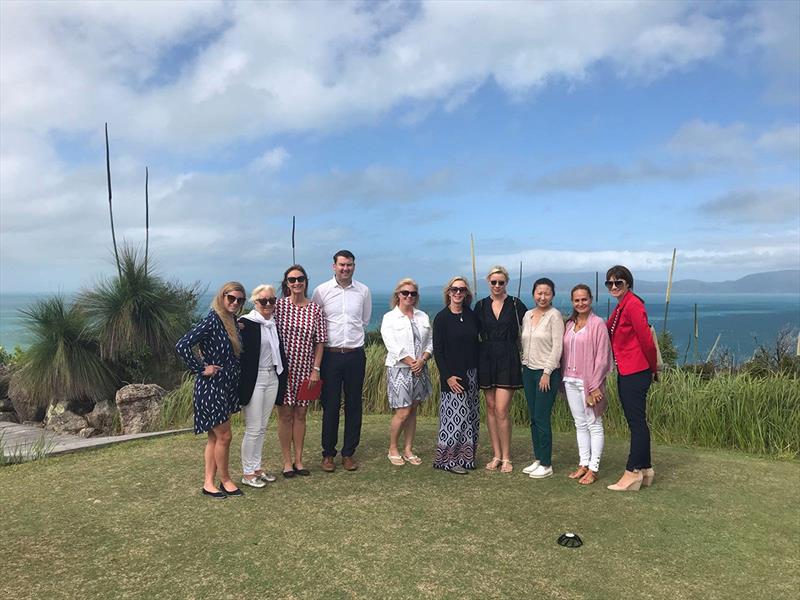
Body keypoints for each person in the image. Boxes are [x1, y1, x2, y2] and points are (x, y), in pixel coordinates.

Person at [175, 282, 246, 499]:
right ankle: (224, 480)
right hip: (211, 387)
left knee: (215, 438)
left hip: (225, 386)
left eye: (239, 300)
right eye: (231, 298)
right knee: (224, 436)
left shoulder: (231, 321)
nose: (235, 303)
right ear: (222, 297)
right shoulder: (212, 321)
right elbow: (182, 345)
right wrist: (201, 368)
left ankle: (208, 483)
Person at [312, 250, 371, 472]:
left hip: (355, 354)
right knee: (331, 405)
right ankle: (328, 454)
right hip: (330, 355)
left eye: (350, 265)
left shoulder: (363, 291)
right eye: (342, 265)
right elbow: (316, 322)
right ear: (334, 266)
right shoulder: (321, 291)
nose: (346, 268)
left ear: (354, 266)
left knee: (354, 405)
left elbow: (364, 320)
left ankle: (348, 453)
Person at [605, 265, 658, 491]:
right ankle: (645, 469)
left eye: (619, 282)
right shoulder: (621, 307)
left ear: (628, 283)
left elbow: (646, 340)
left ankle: (632, 472)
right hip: (628, 369)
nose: (614, 287)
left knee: (636, 423)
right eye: (610, 283)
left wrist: (653, 368)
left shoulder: (634, 304)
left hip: (636, 371)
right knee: (638, 421)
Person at [473, 266, 527, 473]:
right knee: (490, 407)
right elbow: (471, 331)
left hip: (508, 358)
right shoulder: (480, 305)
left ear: (506, 283)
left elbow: (531, 326)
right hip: (485, 357)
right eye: (494, 282)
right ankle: (496, 455)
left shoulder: (515, 304)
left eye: (501, 282)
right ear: (488, 281)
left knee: (502, 409)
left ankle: (507, 457)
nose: (497, 285)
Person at [275, 265, 327, 478]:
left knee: (301, 413)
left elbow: (320, 342)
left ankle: (298, 460)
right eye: (292, 279)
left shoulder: (315, 309)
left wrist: (316, 369)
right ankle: (287, 462)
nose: (297, 283)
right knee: (285, 414)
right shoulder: (278, 306)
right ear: (286, 283)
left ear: (306, 281)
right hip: (282, 370)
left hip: (306, 369)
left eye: (300, 279)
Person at [560, 284, 612, 485]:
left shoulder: (598, 324)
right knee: (580, 423)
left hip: (589, 383)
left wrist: (595, 385)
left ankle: (594, 467)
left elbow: (602, 357)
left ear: (591, 300)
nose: (581, 303)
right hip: (570, 381)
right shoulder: (569, 324)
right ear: (573, 302)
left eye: (584, 299)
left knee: (594, 423)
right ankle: (583, 463)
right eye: (577, 300)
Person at [238, 284, 288, 488]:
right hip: (255, 379)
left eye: (272, 300)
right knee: (253, 427)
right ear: (255, 302)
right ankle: (247, 472)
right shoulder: (246, 323)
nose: (268, 304)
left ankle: (257, 467)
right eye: (263, 301)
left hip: (272, 377)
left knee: (263, 427)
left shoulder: (273, 324)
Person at [380, 278, 432, 467]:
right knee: (402, 411)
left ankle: (408, 449)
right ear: (398, 295)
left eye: (413, 293)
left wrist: (423, 360)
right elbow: (392, 345)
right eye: (405, 293)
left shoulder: (422, 317)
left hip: (420, 369)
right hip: (400, 370)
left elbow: (430, 342)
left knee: (412, 410)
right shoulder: (389, 318)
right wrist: (412, 362)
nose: (409, 296)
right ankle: (393, 448)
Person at [432, 276, 480, 474]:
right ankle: (446, 460)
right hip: (453, 376)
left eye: (461, 289)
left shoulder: (471, 315)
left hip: (472, 374)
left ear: (466, 293)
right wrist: (448, 376)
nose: (458, 293)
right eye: (454, 289)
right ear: (448, 292)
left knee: (471, 417)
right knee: (455, 418)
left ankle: (466, 458)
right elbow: (438, 350)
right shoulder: (442, 318)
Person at [520, 278, 564, 479]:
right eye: (539, 293)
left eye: (547, 293)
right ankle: (538, 458)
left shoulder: (555, 316)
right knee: (533, 418)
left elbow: (557, 347)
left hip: (546, 373)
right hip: (528, 370)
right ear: (533, 294)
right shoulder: (528, 315)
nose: (542, 297)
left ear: (552, 295)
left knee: (542, 417)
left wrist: (547, 372)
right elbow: (524, 341)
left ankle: (546, 463)